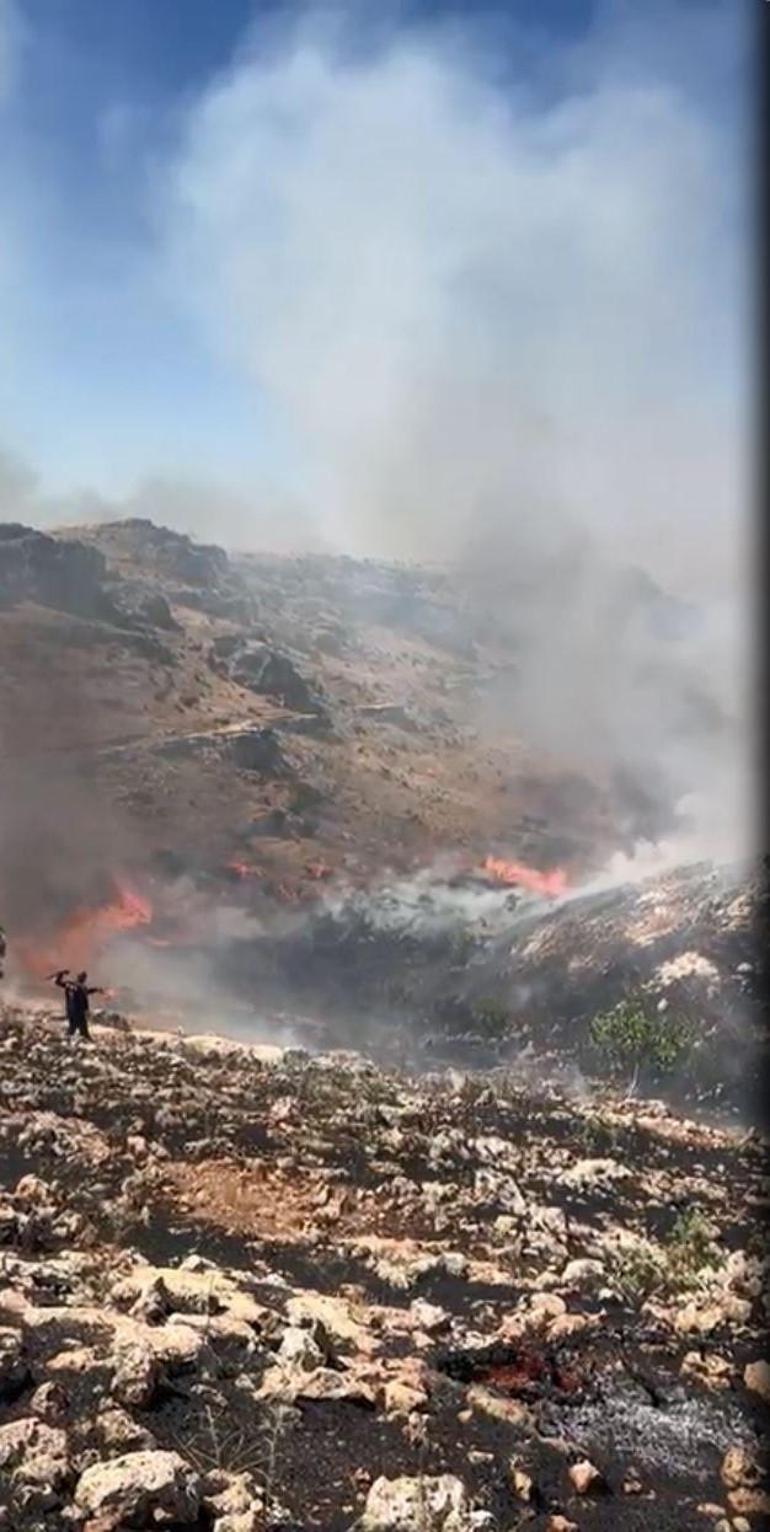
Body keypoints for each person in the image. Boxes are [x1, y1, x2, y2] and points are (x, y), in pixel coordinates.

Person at [52, 969, 104, 1040]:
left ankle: (66, 1040)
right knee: (82, 1029)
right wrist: (86, 1010)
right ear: (82, 978)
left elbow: (58, 982)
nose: (84, 979)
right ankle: (69, 1040)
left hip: (70, 1010)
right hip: (78, 1011)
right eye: (84, 977)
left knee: (73, 1027)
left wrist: (61, 974)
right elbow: (84, 998)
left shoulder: (69, 984)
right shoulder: (82, 987)